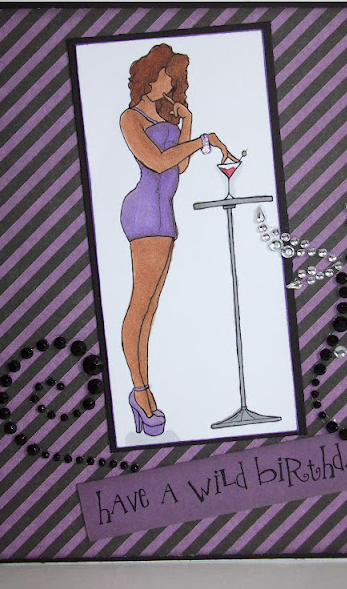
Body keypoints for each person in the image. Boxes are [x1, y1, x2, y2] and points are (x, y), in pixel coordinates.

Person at [119, 43, 238, 436]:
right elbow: (156, 162)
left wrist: (188, 123)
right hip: (143, 211)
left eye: (173, 77)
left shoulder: (164, 114)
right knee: (140, 304)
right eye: (165, 75)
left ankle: (142, 390)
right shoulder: (131, 118)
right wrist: (203, 140)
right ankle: (141, 393)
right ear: (148, 76)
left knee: (150, 307)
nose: (169, 83)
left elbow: (180, 165)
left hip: (164, 214)